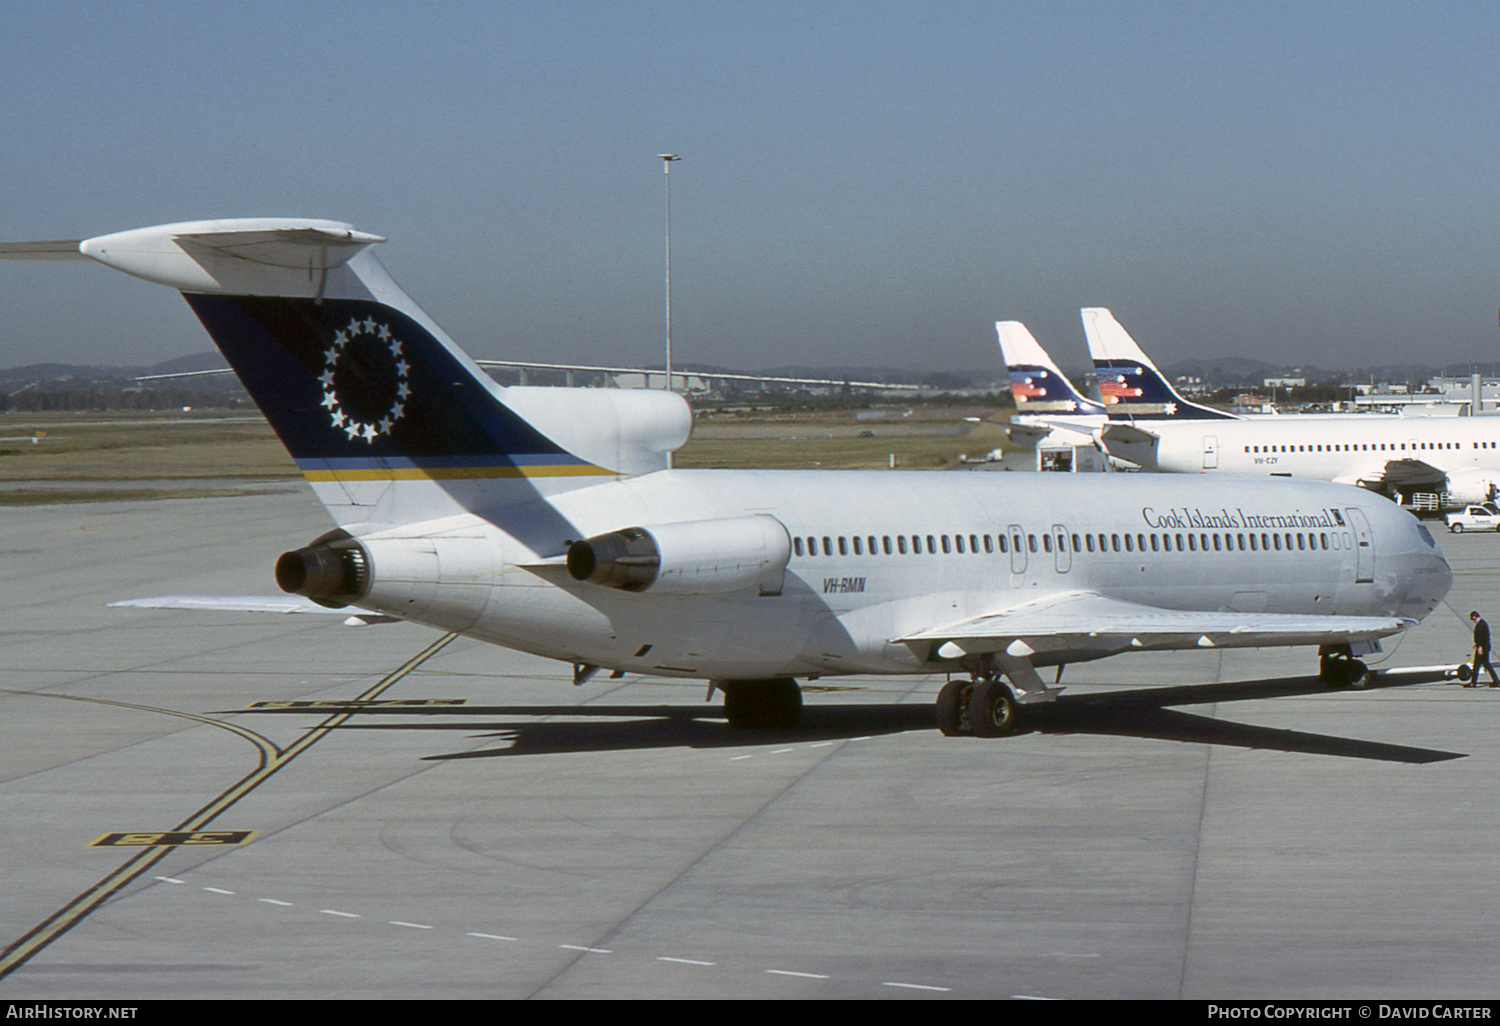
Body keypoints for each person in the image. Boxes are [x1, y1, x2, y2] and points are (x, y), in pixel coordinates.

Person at [1470, 611, 1499, 687]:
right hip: (1485, 647)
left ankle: (1473, 682)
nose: (1473, 621)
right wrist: (1477, 644)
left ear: (1474, 617)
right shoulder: (1483, 623)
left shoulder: (1480, 625)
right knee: (1486, 664)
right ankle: (1496, 680)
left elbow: (1480, 637)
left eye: (1473, 619)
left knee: (1477, 664)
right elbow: (1483, 637)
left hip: (1482, 648)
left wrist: (1479, 647)